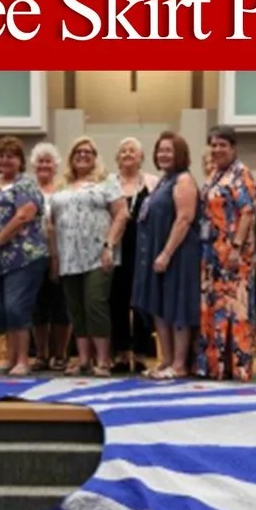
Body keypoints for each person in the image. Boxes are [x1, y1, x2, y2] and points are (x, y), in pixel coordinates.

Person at [128, 130, 200, 379]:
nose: (163, 154)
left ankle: (180, 364)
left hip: (178, 254)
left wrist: (167, 252)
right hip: (157, 254)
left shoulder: (184, 180)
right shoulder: (162, 180)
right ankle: (166, 360)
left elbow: (184, 218)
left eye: (168, 150)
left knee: (177, 305)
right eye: (160, 150)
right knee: (160, 307)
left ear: (180, 154)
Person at [0, 134, 48, 376]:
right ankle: (8, 358)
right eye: (1, 156)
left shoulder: (26, 185)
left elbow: (23, 215)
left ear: (20, 160)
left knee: (17, 307)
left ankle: (23, 360)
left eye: (11, 156)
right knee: (1, 310)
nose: (5, 160)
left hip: (23, 258)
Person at [49, 137, 120, 376]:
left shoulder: (107, 181)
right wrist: (55, 257)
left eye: (88, 152)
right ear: (71, 157)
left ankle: (102, 360)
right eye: (78, 151)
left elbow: (121, 214)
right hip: (68, 255)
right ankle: (83, 360)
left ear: (95, 156)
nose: (83, 155)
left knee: (95, 303)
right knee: (75, 309)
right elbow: (51, 223)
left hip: (98, 254)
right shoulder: (62, 185)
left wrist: (110, 245)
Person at [197, 126, 256, 380]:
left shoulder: (241, 173)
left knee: (236, 308)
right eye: (213, 144)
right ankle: (217, 365)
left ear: (233, 147)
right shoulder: (215, 174)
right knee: (215, 308)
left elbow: (247, 211)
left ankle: (238, 366)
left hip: (234, 253)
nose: (217, 149)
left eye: (223, 144)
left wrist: (236, 246)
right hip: (211, 252)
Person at [106, 136, 153, 373]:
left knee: (142, 302)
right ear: (117, 158)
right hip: (115, 248)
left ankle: (142, 353)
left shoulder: (152, 183)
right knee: (118, 301)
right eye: (123, 151)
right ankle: (122, 354)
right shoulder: (108, 183)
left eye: (132, 151)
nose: (127, 154)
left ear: (141, 157)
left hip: (142, 249)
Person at [28, 142, 71, 371]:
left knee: (61, 306)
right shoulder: (26, 189)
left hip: (62, 254)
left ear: (55, 166)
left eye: (48, 161)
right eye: (40, 161)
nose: (44, 165)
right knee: (38, 306)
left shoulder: (64, 190)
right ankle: (41, 354)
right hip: (33, 256)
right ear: (34, 165)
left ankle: (60, 354)